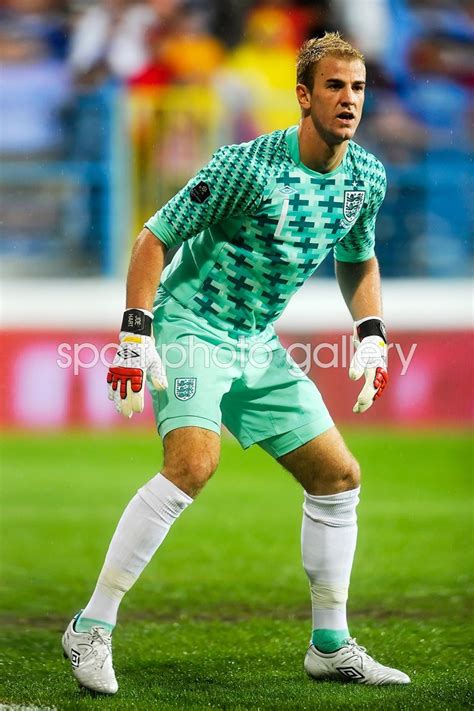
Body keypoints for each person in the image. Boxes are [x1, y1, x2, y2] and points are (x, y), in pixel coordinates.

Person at [62, 31, 410, 694]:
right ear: (304, 96)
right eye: (334, 86)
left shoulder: (366, 177)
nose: (349, 99)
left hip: (256, 339)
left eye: (358, 87)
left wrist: (371, 331)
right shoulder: (247, 166)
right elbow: (154, 237)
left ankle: (330, 644)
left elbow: (358, 257)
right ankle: (90, 625)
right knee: (193, 462)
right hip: (191, 322)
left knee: (337, 474)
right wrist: (136, 338)